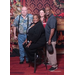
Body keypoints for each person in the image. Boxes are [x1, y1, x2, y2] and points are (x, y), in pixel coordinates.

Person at [45, 7, 58, 71]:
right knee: (49, 51)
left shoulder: (52, 18)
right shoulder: (49, 18)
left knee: (52, 52)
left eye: (48, 10)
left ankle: (54, 65)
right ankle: (50, 62)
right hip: (48, 39)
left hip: (51, 39)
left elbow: (52, 29)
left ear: (51, 10)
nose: (46, 12)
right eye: (45, 11)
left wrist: (50, 39)